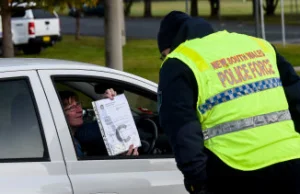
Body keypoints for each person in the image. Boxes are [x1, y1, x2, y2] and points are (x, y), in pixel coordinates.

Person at [157, 10, 300, 194]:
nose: (164, 59)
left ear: (170, 46)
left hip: (235, 170)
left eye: (163, 55)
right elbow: (296, 98)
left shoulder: (179, 62)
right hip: (292, 161)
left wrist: (197, 181)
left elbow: (181, 128)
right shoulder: (259, 45)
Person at [59, 88, 139, 157]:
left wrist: (108, 103)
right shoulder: (69, 146)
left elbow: (105, 125)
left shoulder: (80, 132)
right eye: (72, 108)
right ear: (60, 114)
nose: (80, 110)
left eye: (78, 104)